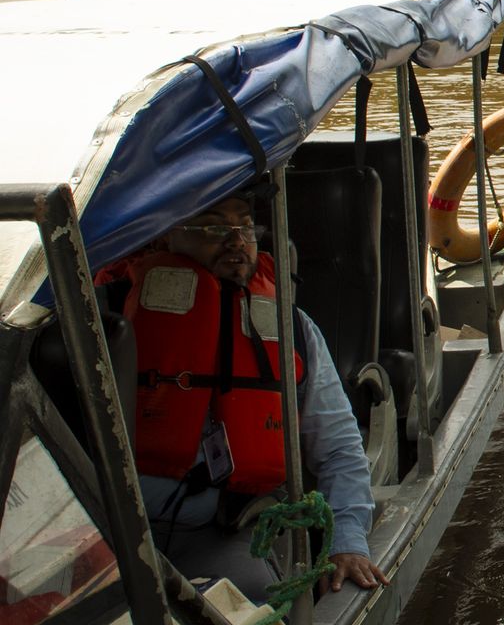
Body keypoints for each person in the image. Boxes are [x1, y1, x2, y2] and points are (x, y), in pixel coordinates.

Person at [113, 192, 389, 601]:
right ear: (164, 237)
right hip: (112, 532)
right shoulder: (112, 322)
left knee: (249, 610)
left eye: (244, 227)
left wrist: (347, 541)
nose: (236, 241)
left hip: (223, 532)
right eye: (212, 227)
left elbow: (339, 449)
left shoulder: (290, 326)